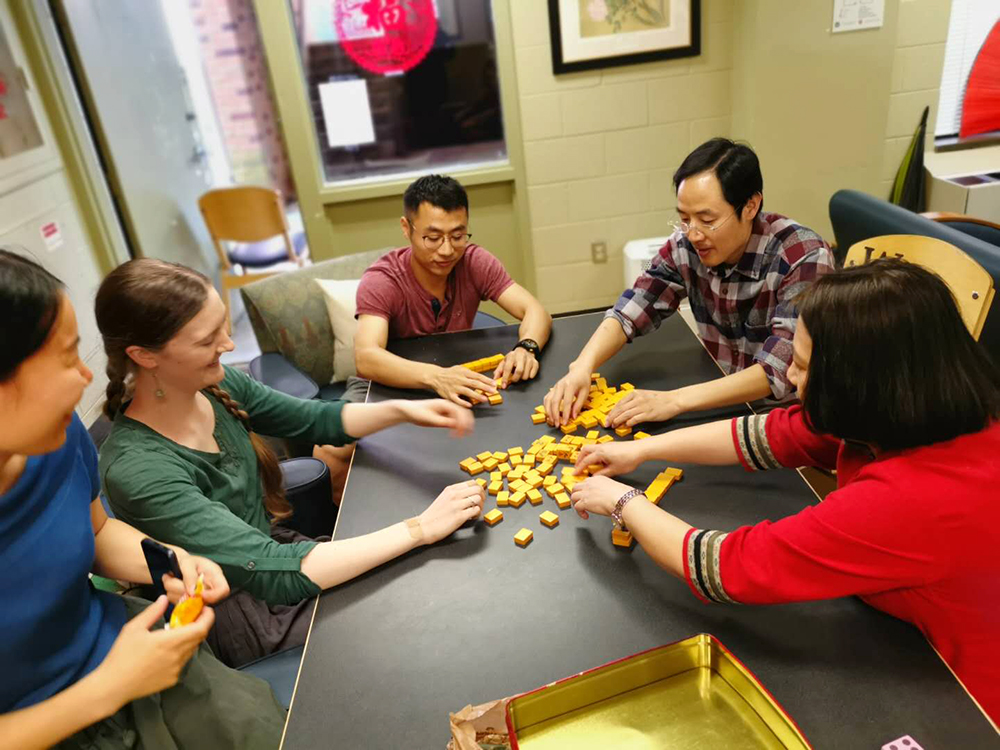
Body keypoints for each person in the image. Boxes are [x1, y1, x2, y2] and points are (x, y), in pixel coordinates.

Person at [568, 260, 1000, 724]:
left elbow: (724, 567)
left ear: (858, 380)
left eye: (801, 365)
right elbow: (771, 434)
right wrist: (642, 451)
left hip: (964, 703)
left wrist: (622, 501)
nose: (788, 379)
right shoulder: (915, 405)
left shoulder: (913, 499)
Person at [96, 258, 485, 667]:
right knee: (406, 619)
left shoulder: (217, 384)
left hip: (277, 559)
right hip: (244, 611)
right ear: (144, 355)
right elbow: (274, 573)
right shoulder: (137, 470)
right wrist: (420, 528)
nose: (229, 344)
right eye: (207, 339)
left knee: (413, 582)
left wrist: (403, 411)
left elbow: (315, 419)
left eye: (224, 327)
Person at [0, 250, 285, 749]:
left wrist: (172, 561)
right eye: (67, 358)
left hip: (129, 656)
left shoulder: (58, 437)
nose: (86, 378)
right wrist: (109, 688)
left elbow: (98, 532)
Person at [545, 138, 835, 429]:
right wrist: (582, 366)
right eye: (684, 219)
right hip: (718, 402)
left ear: (750, 206)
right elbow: (633, 305)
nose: (693, 234)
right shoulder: (685, 245)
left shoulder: (803, 256)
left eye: (707, 220)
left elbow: (779, 370)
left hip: (785, 419)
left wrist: (673, 401)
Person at [354, 174, 552, 406]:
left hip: (454, 378)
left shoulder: (474, 262)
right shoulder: (383, 280)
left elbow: (536, 311)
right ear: (406, 228)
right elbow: (366, 357)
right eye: (433, 237)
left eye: (458, 236)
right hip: (386, 388)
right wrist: (436, 377)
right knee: (335, 442)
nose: (447, 250)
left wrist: (526, 347)